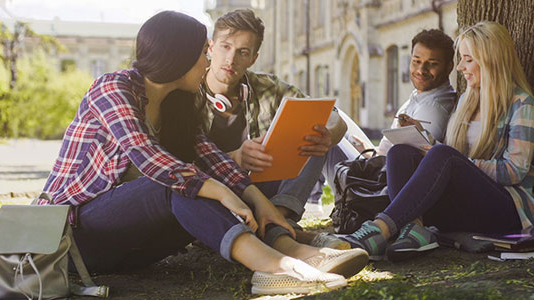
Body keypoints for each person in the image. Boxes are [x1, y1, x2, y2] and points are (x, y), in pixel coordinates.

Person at [38, 11, 367, 295]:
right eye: (203, 52)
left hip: (134, 248)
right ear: (178, 57)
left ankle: (289, 247)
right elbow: (151, 161)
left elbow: (215, 161)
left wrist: (261, 203)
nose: (209, 60)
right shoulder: (112, 89)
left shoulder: (176, 106)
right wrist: (224, 193)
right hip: (73, 239)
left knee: (206, 178)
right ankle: (275, 267)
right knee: (178, 183)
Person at [341, 21, 534, 262]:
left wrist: (458, 160)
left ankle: (381, 229)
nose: (460, 67)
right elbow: (451, 157)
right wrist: (422, 137)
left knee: (443, 154)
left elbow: (514, 172)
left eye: (468, 59)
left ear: (491, 60)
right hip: (462, 207)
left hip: (504, 210)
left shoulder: (522, 106)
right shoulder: (467, 102)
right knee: (400, 152)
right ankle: (414, 229)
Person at [198, 9, 348, 249]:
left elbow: (333, 118)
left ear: (253, 59)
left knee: (314, 131)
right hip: (216, 195)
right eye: (225, 47)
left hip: (265, 192)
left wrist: (329, 135)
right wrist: (235, 158)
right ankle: (283, 234)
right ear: (211, 47)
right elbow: (179, 166)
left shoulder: (266, 87)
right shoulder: (188, 92)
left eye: (242, 52)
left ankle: (278, 222)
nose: (231, 59)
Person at [314, 29, 458, 199]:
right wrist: (370, 153)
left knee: (320, 129)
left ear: (449, 66)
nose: (421, 70)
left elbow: (408, 168)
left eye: (432, 63)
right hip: (377, 165)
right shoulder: (424, 95)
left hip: (372, 189)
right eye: (416, 61)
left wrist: (372, 158)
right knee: (334, 116)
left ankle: (311, 200)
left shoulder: (433, 108)